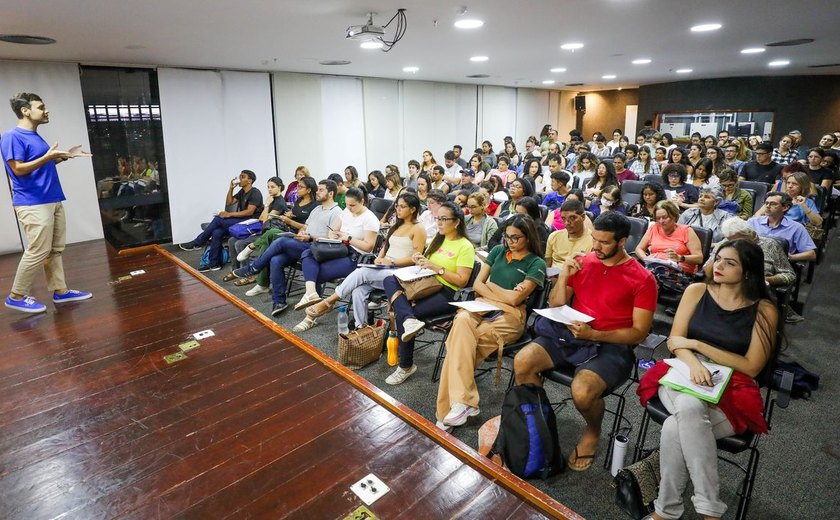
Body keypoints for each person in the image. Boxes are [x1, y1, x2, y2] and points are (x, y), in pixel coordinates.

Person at [638, 240, 778, 520]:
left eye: (730, 262)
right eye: (718, 258)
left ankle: (666, 511)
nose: (719, 266)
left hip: (732, 387)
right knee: (689, 403)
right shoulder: (696, 291)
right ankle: (710, 510)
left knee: (673, 427)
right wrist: (693, 361)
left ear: (748, 272)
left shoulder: (764, 310)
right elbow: (676, 343)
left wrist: (700, 346)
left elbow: (751, 367)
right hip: (682, 374)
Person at [514, 212, 657, 471]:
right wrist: (566, 274)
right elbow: (556, 303)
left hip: (610, 345)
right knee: (523, 362)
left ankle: (593, 430)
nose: (596, 247)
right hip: (571, 334)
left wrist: (595, 335)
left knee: (582, 392)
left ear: (622, 241)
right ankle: (539, 423)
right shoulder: (585, 261)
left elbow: (638, 333)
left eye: (604, 242)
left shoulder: (643, 279)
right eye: (594, 240)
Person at [435, 215, 546, 431]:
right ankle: (464, 402)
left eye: (516, 238)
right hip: (482, 305)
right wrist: (500, 291)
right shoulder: (497, 252)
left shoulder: (536, 262)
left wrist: (491, 286)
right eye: (507, 236)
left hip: (510, 315)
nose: (510, 242)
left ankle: (448, 409)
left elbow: (515, 300)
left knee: (459, 345)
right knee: (462, 319)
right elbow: (477, 284)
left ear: (528, 237)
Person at [2, 92, 93, 313]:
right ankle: (16, 296)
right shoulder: (12, 136)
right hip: (32, 203)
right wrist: (48, 157)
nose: (46, 110)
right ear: (25, 111)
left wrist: (64, 156)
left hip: (52, 198)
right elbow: (17, 169)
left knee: (54, 250)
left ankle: (60, 292)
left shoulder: (35, 136)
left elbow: (39, 166)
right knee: (37, 251)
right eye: (41, 107)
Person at [381, 202, 476, 384]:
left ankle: (406, 365)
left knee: (406, 312)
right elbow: (427, 262)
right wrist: (420, 259)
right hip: (426, 282)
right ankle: (409, 320)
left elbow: (462, 281)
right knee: (389, 279)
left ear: (456, 222)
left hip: (448, 292)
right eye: (437, 218)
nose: (438, 222)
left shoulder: (465, 246)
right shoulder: (438, 239)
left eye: (443, 219)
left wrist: (436, 267)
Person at [304, 193, 427, 330]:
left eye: (402, 207)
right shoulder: (396, 226)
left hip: (401, 272)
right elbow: (386, 247)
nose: (397, 209)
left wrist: (392, 262)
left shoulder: (419, 229)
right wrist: (379, 258)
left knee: (362, 272)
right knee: (358, 290)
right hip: (385, 268)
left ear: (413, 209)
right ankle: (361, 328)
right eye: (397, 206)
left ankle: (329, 301)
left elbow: (415, 258)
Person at [230, 179, 342, 316]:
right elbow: (306, 227)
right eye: (317, 189)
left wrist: (310, 237)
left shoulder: (337, 212)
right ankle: (279, 301)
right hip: (305, 243)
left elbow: (332, 238)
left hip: (318, 248)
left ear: (330, 193)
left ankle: (254, 267)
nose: (317, 192)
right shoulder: (317, 209)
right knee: (276, 260)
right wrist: (302, 232)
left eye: (321, 190)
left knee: (281, 241)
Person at [290, 187, 381, 330]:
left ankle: (310, 315)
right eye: (347, 204)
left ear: (362, 201)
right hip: (339, 248)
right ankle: (311, 293)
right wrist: (334, 236)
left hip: (355, 257)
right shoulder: (346, 212)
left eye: (353, 205)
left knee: (315, 274)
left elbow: (369, 247)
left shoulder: (370, 219)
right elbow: (332, 231)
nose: (349, 208)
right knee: (308, 253)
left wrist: (349, 238)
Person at [179, 170, 264, 271]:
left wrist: (229, 214)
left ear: (249, 180)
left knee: (218, 219)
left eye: (242, 177)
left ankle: (198, 242)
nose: (239, 179)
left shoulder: (255, 192)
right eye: (240, 176)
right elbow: (230, 202)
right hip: (242, 221)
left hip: (250, 223)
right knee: (217, 232)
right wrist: (231, 188)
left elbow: (249, 212)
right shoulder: (242, 192)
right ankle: (214, 263)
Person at [703, 217, 794, 289]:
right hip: (723, 289)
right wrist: (718, 256)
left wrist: (764, 280)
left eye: (736, 239)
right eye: (728, 239)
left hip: (756, 292)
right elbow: (706, 270)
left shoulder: (770, 245)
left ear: (748, 234)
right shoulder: (724, 244)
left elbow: (789, 275)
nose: (732, 243)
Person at [636, 200, 703, 275]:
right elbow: (639, 249)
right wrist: (646, 259)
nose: (661, 221)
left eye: (665, 217)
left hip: (679, 273)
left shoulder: (687, 231)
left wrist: (679, 257)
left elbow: (699, 258)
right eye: (658, 218)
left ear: (674, 216)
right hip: (655, 270)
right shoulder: (654, 228)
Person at [747, 192, 816, 262]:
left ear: (785, 207)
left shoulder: (796, 227)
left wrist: (791, 257)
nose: (768, 206)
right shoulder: (753, 222)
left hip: (778, 264)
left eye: (773, 204)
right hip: (752, 261)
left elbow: (811, 254)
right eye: (766, 203)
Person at [756, 171, 822, 227]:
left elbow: (818, 223)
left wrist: (804, 206)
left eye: (794, 184)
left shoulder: (807, 202)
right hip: (769, 227)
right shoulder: (777, 198)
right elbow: (758, 215)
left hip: (791, 231)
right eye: (788, 183)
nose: (790, 186)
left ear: (803, 186)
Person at [545, 199, 594, 267]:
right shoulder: (554, 236)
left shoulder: (593, 241)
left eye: (572, 218)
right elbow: (548, 265)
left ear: (583, 217)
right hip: (552, 276)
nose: (567, 223)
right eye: (563, 218)